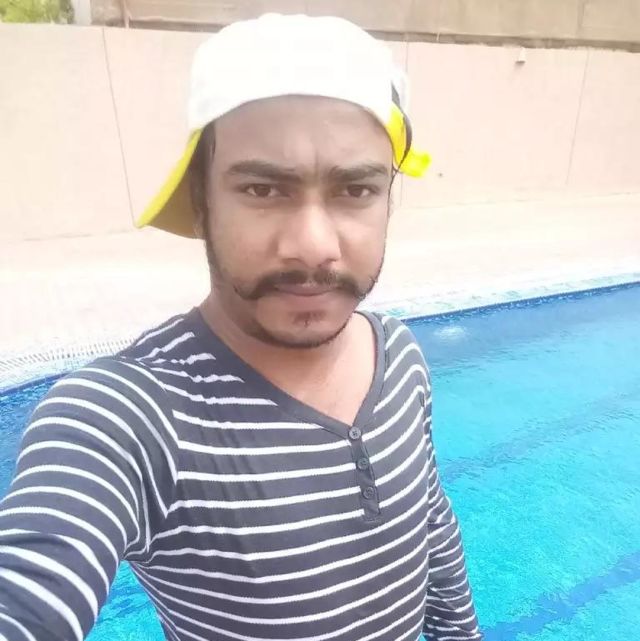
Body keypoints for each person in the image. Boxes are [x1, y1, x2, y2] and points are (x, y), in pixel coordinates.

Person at [0, 13, 481, 641]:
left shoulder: (400, 354)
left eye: (355, 190)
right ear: (201, 201)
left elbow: (430, 519)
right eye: (262, 189)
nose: (313, 245)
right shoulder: (134, 415)